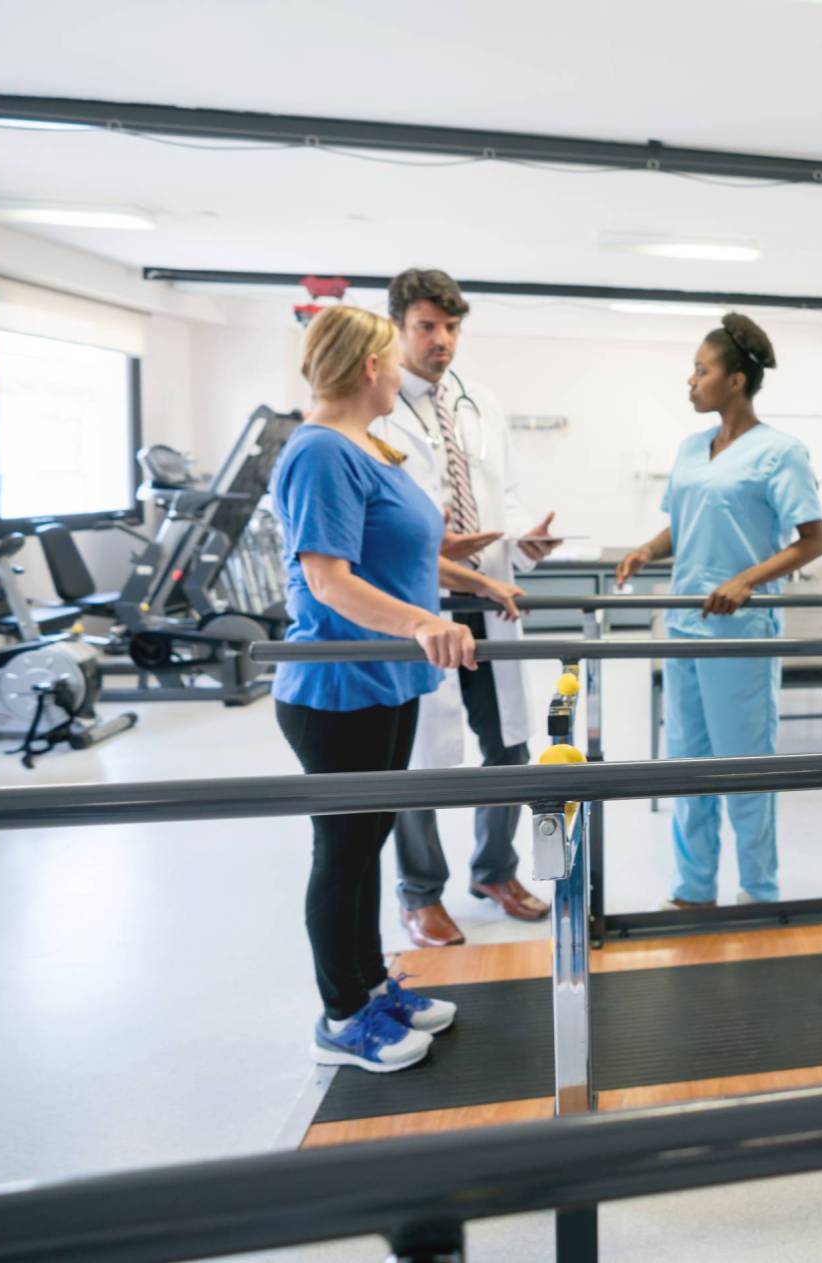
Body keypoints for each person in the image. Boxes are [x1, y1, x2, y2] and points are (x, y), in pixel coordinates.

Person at [271, 305, 524, 1073]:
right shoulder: (319, 452)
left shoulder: (367, 448)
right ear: (371, 366)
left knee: (370, 838)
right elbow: (328, 578)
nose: (409, 367)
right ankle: (342, 1015)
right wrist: (422, 622)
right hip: (336, 685)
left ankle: (370, 983)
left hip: (387, 679)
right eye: (395, 353)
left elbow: (404, 547)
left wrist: (474, 577)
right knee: (343, 851)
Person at [373, 268, 557, 948]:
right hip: (416, 602)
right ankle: (420, 894)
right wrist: (437, 545)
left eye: (451, 327)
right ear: (398, 326)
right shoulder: (379, 401)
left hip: (487, 595)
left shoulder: (479, 400)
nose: (442, 340)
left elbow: (500, 494)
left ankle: (496, 870)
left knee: (508, 742)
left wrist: (524, 545)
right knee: (420, 756)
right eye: (427, 326)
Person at [617, 314, 822, 907]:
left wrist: (745, 581)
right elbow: (683, 527)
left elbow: (812, 541)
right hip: (683, 626)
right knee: (688, 763)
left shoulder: (781, 453)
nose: (691, 380)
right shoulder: (691, 448)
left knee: (746, 767)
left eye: (701, 369)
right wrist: (646, 550)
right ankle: (693, 888)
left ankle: (759, 891)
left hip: (742, 634)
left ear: (735, 381)